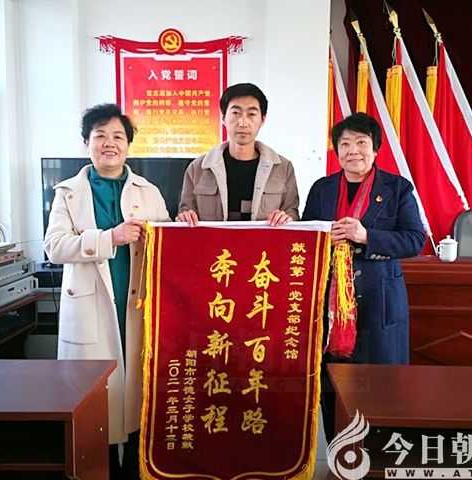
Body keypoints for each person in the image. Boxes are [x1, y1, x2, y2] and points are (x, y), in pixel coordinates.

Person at [44, 103, 171, 479]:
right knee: (95, 405)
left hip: (137, 309)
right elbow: (54, 247)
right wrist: (109, 238)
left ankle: (135, 469)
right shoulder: (68, 193)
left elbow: (168, 248)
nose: (109, 143)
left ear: (128, 145)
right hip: (91, 311)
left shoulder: (149, 191)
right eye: (100, 136)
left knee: (137, 400)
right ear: (86, 143)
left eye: (118, 136)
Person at [302, 113, 425, 441]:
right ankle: (339, 447)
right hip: (330, 304)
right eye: (344, 144)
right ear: (336, 150)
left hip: (379, 303)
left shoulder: (397, 188)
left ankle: (380, 451)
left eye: (361, 142)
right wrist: (323, 237)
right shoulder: (322, 189)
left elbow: (415, 240)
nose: (352, 150)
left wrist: (366, 236)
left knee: (381, 384)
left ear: (375, 148)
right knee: (332, 381)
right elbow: (307, 237)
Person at [176, 82, 299, 225]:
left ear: (262, 120)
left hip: (263, 241)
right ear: (223, 118)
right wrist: (185, 217)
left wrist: (287, 217)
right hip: (214, 240)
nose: (243, 122)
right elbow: (185, 211)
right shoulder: (198, 168)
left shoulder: (283, 168)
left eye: (251, 114)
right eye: (236, 113)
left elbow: (292, 213)